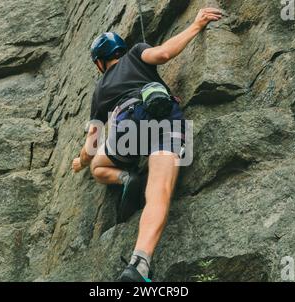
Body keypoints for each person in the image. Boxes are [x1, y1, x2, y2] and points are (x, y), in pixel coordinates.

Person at [72, 8, 223, 282]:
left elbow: (92, 144)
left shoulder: (100, 89)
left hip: (129, 131)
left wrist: (80, 162)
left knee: (97, 166)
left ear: (100, 63)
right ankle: (139, 263)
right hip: (165, 120)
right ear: (120, 50)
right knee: (160, 192)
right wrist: (196, 24)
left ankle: (126, 177)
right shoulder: (136, 53)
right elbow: (164, 54)